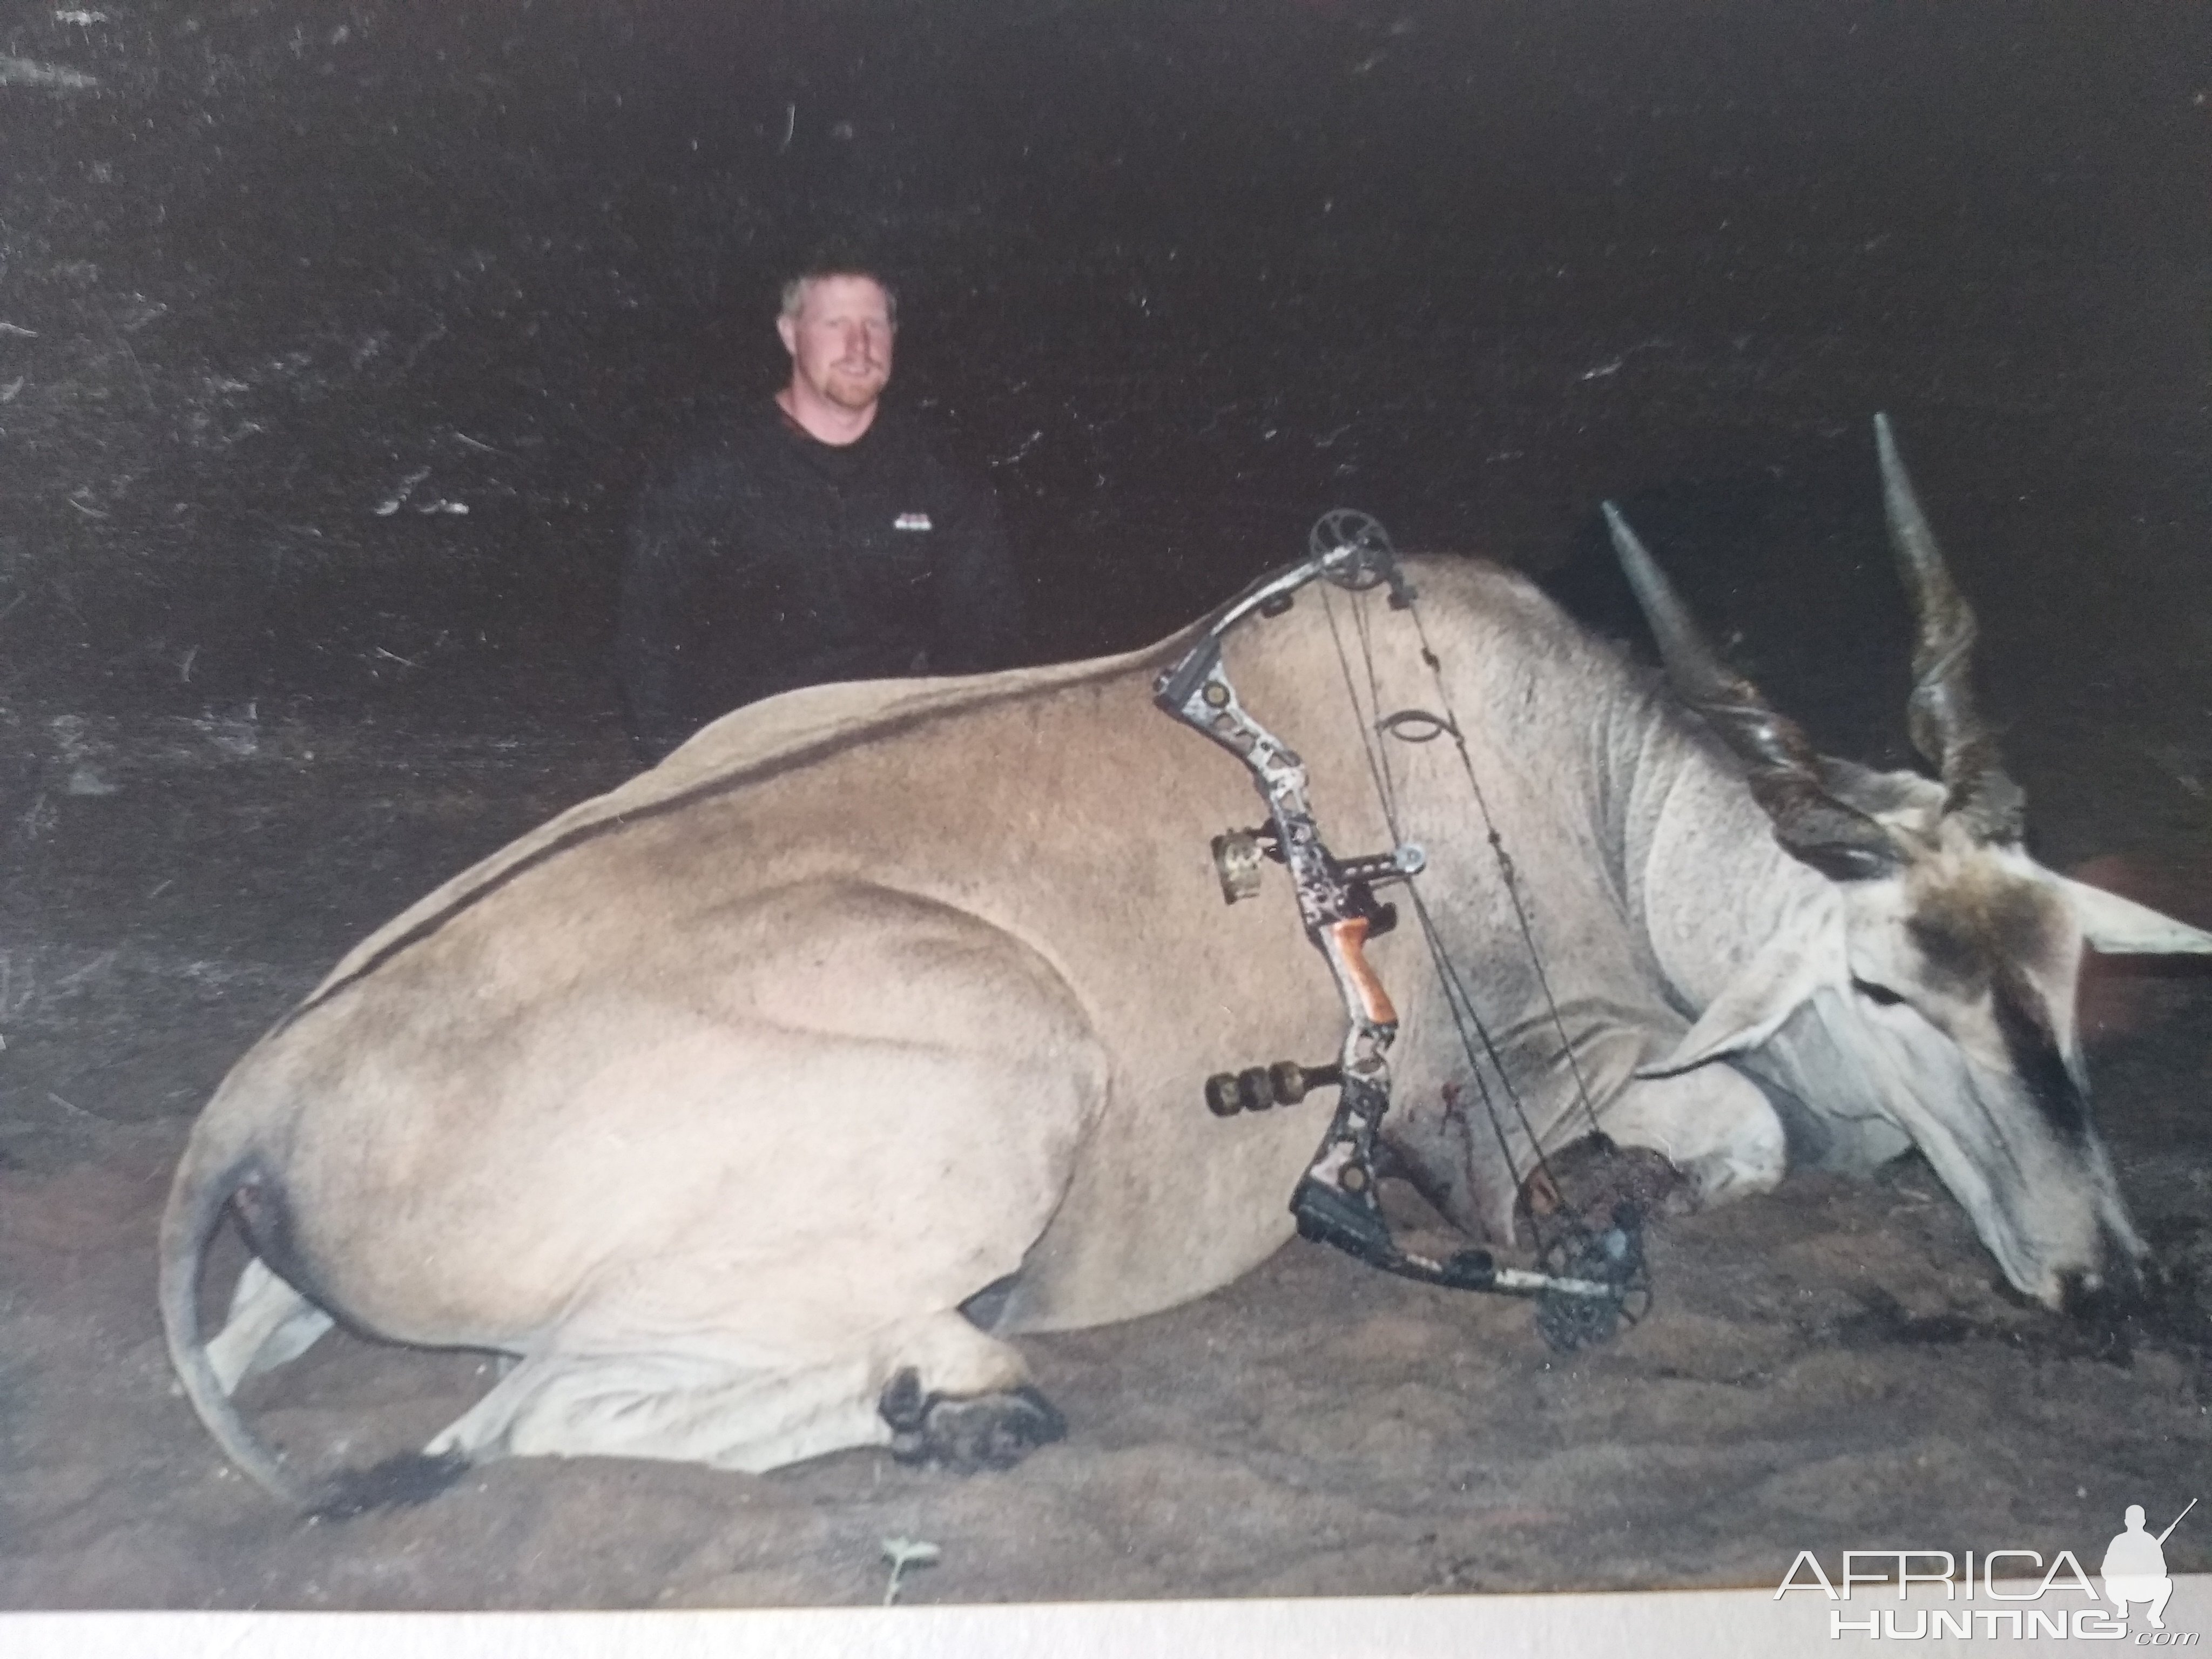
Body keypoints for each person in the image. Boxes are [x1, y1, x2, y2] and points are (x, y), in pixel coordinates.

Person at [616, 262, 1022, 763]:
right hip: (748, 755)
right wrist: (686, 770)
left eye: (874, 325)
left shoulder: (941, 473)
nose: (859, 347)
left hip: (900, 749)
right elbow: (651, 644)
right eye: (835, 324)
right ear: (789, 334)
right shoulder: (708, 469)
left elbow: (988, 637)